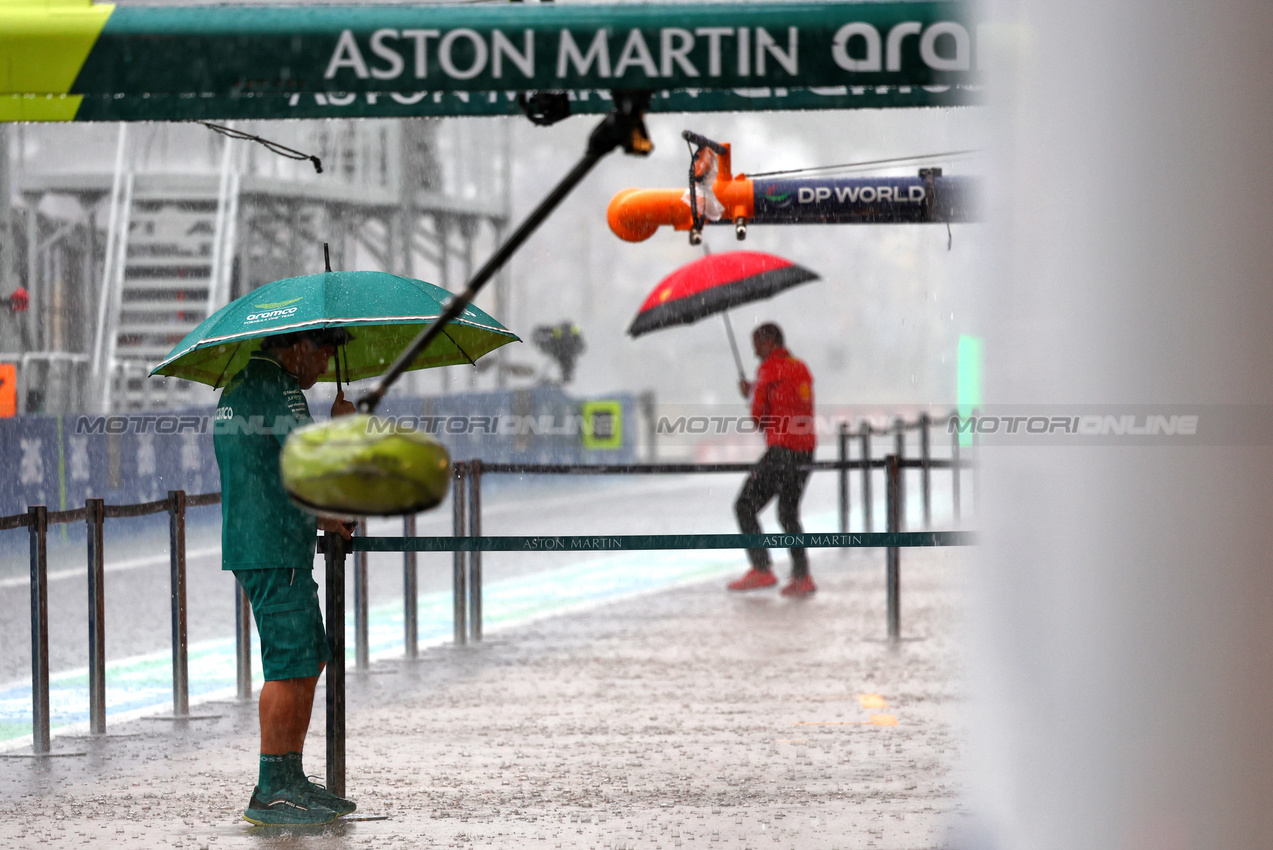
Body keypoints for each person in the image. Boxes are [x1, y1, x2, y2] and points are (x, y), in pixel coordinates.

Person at [213, 328, 358, 826]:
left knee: (307, 655)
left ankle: (290, 777)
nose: (322, 369)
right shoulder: (278, 387)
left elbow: (270, 476)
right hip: (274, 548)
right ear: (296, 347)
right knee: (289, 665)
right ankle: (272, 788)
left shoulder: (242, 384)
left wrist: (322, 518)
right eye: (322, 354)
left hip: (266, 538)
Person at [728, 323, 818, 597]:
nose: (754, 351)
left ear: (769, 343)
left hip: (781, 450)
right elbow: (791, 400)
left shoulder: (767, 370)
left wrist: (752, 395)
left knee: (744, 505)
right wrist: (757, 390)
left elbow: (759, 418)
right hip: (805, 449)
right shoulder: (801, 367)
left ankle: (762, 569)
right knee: (788, 513)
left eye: (757, 344)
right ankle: (803, 576)